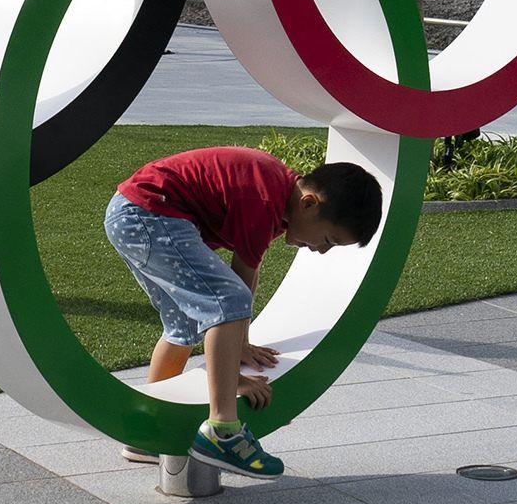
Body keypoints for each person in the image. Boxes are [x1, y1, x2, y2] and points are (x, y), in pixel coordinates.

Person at [105, 147, 383, 478]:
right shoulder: (263, 197)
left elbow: (248, 271)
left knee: (185, 324)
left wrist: (242, 343)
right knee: (226, 298)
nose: (321, 250)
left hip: (135, 215)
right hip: (148, 215)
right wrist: (235, 379)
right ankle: (223, 430)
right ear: (309, 204)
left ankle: (146, 432)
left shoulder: (277, 197)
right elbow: (236, 288)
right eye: (327, 239)